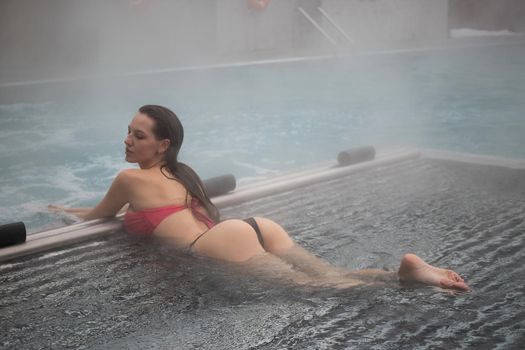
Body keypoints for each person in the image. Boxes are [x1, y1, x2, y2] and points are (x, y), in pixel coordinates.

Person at [49, 105, 470, 292]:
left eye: (137, 135)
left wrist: (59, 210)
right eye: (128, 131)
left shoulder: (127, 180)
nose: (127, 140)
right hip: (254, 226)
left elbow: (96, 215)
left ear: (162, 144)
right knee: (328, 274)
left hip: (215, 242)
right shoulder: (182, 174)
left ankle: (408, 278)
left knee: (314, 289)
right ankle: (406, 273)